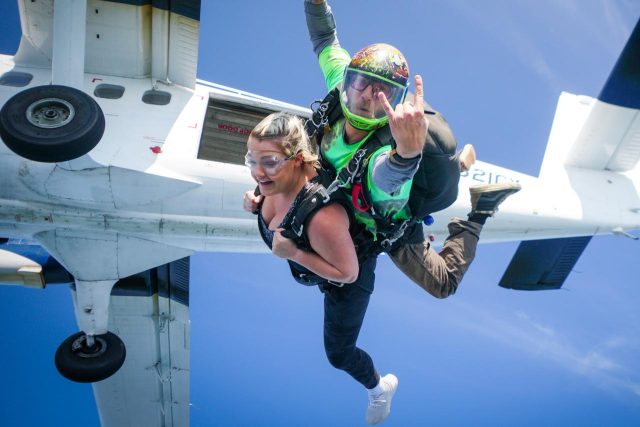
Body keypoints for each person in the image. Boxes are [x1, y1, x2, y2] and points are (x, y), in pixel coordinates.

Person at [302, 0, 521, 299]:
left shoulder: (385, 149)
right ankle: (456, 168)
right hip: (355, 194)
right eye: (362, 82)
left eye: (382, 93)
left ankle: (479, 212)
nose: (366, 96)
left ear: (395, 100)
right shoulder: (342, 84)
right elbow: (325, 40)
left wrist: (405, 156)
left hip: (387, 219)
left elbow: (385, 179)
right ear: (349, 79)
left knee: (442, 284)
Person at [244, 111, 398, 425]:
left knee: (338, 354)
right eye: (251, 160)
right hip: (322, 257)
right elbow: (269, 184)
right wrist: (254, 202)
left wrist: (294, 254)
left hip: (348, 277)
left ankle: (381, 390)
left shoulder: (324, 219)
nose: (258, 172)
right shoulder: (273, 182)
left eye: (269, 162)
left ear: (298, 159)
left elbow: (348, 274)